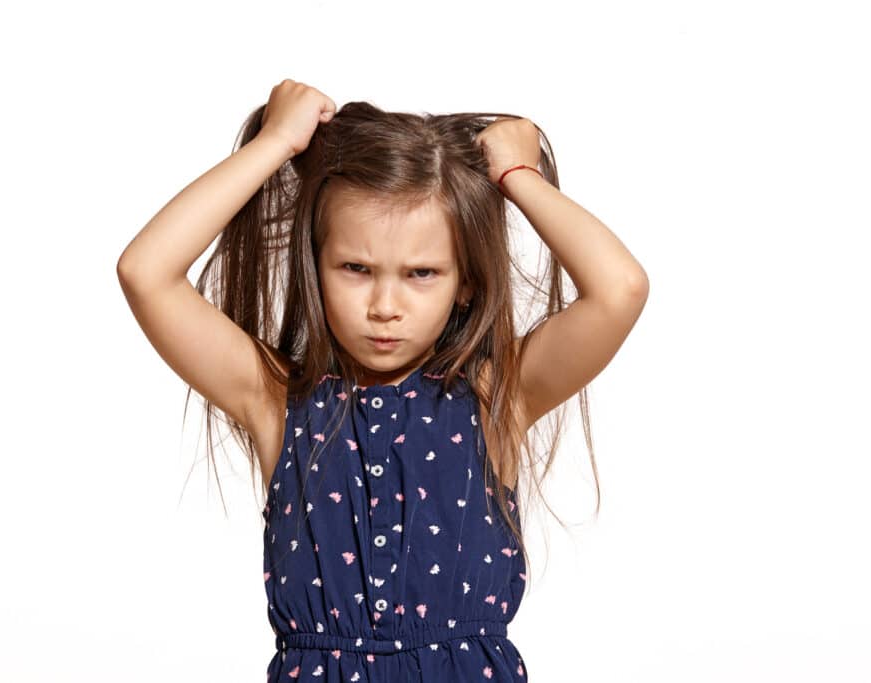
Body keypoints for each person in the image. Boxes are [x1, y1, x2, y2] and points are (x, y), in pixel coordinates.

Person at [117, 79, 648, 681]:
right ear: (315, 268)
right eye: (356, 268)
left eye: (421, 272)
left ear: (466, 280)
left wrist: (516, 176)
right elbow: (145, 271)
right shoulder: (276, 400)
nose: (385, 305)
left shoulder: (496, 396)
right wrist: (276, 144)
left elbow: (619, 289)